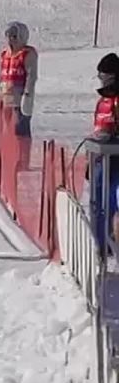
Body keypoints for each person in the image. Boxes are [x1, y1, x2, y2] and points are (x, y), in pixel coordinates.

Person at [90, 53, 119, 251]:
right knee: (99, 204)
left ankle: (111, 242)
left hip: (116, 160)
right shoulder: (103, 101)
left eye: (105, 76)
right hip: (102, 158)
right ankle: (100, 245)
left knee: (113, 202)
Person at [0, 21, 38, 137]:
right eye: (9, 36)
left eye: (14, 36)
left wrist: (27, 95)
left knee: (20, 133)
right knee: (5, 132)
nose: (11, 39)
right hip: (5, 100)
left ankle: (22, 153)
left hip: (19, 102)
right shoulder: (5, 54)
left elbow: (31, 76)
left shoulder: (27, 54)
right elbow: (0, 76)